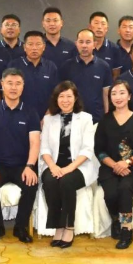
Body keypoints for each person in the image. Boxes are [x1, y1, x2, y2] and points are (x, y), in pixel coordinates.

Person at [0, 68, 41, 243]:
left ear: (23, 86)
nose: (13, 88)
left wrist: (30, 166)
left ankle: (20, 227)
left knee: (31, 184)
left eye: (18, 84)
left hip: (22, 164)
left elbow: (35, 142)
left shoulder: (31, 112)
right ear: (2, 84)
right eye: (9, 83)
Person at [94, 80, 133, 249]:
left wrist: (127, 162)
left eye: (122, 93)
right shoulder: (105, 120)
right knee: (111, 193)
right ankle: (116, 219)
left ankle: (127, 229)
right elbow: (99, 150)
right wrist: (115, 165)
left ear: (129, 96)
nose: (117, 97)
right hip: (109, 167)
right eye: (113, 93)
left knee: (125, 189)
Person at [40, 81, 97, 248]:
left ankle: (69, 227)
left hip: (78, 166)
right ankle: (58, 226)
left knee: (66, 181)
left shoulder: (86, 118)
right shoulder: (49, 119)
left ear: (75, 98)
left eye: (69, 96)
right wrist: (52, 166)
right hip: (54, 164)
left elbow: (87, 149)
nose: (65, 100)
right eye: (61, 96)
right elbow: (44, 148)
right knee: (49, 181)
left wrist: (69, 168)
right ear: (56, 99)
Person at [59, 29, 112, 123]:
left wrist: (108, 116)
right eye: (81, 42)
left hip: (96, 117)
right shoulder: (66, 66)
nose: (84, 46)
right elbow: (61, 93)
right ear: (76, 44)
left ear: (94, 44)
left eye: (88, 42)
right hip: (72, 117)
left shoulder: (104, 66)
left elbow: (106, 94)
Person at [7, 31, 60, 121]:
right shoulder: (14, 65)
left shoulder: (51, 67)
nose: (34, 48)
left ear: (44, 47)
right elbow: (7, 92)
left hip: (46, 117)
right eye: (30, 44)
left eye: (38, 44)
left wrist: (48, 116)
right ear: (24, 47)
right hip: (18, 116)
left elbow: (56, 93)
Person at [89, 11, 121, 79]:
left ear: (107, 28)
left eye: (103, 24)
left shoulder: (114, 49)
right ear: (90, 27)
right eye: (96, 23)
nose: (99, 27)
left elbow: (116, 74)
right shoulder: (83, 47)